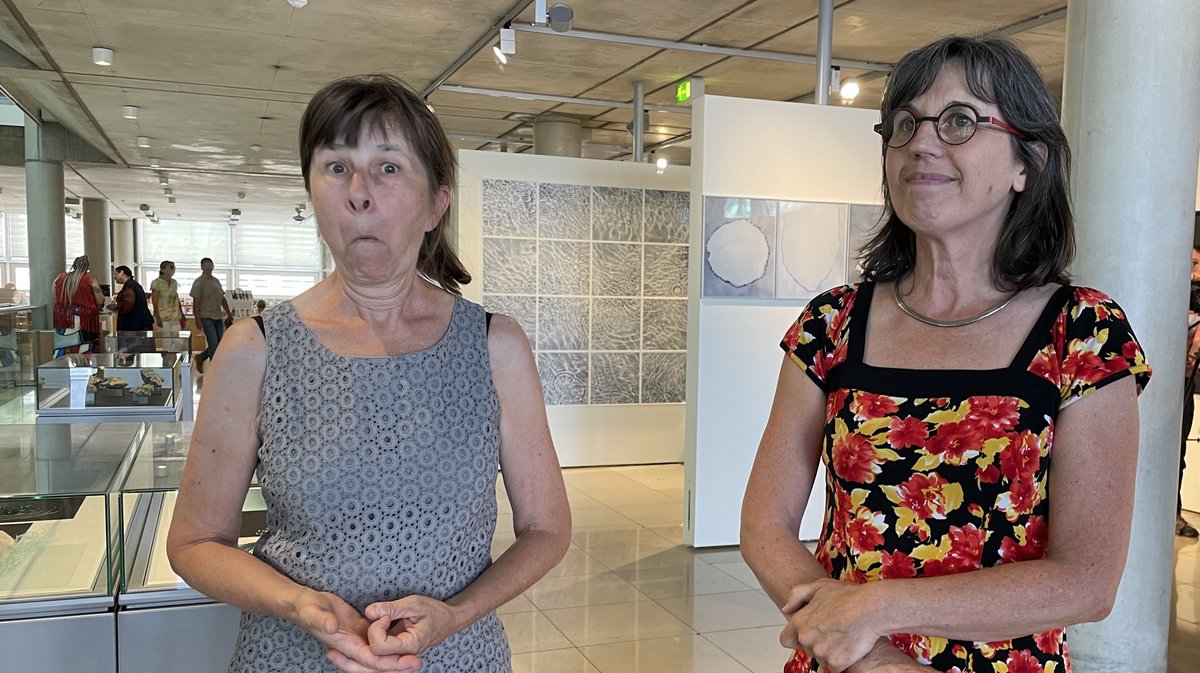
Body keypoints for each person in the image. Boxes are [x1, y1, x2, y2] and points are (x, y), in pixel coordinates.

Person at [740, 36, 1151, 673]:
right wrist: (872, 655)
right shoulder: (833, 323)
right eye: (903, 125)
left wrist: (875, 609)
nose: (921, 143)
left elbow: (1087, 581)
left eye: (960, 120)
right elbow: (765, 524)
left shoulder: (1083, 333)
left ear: (1027, 162)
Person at [166, 74, 571, 673]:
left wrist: (455, 615)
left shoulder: (494, 345)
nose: (359, 192)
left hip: (457, 658)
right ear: (313, 193)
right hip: (295, 659)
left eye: (388, 167)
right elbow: (195, 542)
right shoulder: (257, 349)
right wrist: (302, 605)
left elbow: (546, 528)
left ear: (437, 202)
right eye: (336, 166)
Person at [1179, 246, 1200, 538]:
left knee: (1178, 451)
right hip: (1161, 387)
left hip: (1184, 385)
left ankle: (1174, 512)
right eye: (1193, 263)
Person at [52, 255, 104, 352]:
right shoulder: (90, 279)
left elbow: (55, 296)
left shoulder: (60, 277)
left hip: (63, 317)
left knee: (65, 345)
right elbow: (100, 300)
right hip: (84, 319)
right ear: (87, 267)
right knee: (84, 347)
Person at [189, 256, 231, 372]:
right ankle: (215, 370)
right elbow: (196, 302)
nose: (209, 268)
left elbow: (222, 298)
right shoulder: (198, 282)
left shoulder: (216, 281)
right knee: (213, 343)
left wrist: (228, 312)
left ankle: (201, 357)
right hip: (206, 316)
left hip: (218, 316)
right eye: (206, 266)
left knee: (219, 343)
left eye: (210, 265)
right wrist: (197, 319)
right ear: (202, 267)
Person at [109, 265, 155, 332]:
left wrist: (116, 306)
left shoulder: (129, 287)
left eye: (115, 274)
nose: (114, 277)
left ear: (121, 272)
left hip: (133, 326)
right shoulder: (134, 285)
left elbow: (127, 305)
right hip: (140, 324)